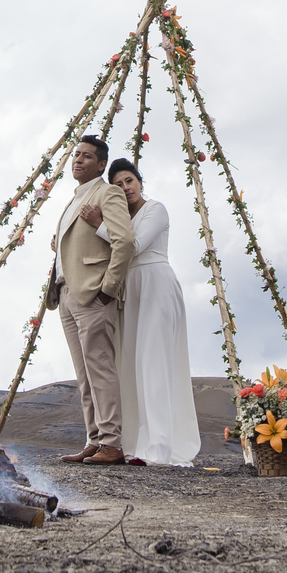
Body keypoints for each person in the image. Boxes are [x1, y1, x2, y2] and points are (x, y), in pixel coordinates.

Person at [81, 158, 201, 467]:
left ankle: (159, 448)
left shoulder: (155, 210)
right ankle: (136, 444)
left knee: (154, 361)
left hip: (156, 284)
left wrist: (99, 226)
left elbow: (133, 246)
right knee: (130, 363)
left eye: (129, 181)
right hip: (129, 291)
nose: (124, 188)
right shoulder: (120, 218)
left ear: (140, 182)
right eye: (118, 185)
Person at [46, 133, 136, 465]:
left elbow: (124, 242)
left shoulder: (107, 192)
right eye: (76, 155)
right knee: (83, 373)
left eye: (86, 156)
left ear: (101, 164)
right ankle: (94, 439)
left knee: (100, 368)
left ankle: (112, 443)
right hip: (66, 292)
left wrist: (107, 289)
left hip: (92, 293)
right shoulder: (73, 199)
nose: (78, 160)